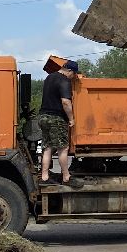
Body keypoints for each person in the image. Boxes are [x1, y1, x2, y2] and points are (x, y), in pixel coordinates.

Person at [39, 58, 82, 186]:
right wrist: (71, 119)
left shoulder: (49, 77)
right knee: (63, 148)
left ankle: (44, 177)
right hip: (56, 119)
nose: (73, 77)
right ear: (70, 71)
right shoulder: (64, 80)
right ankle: (66, 177)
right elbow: (65, 102)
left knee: (48, 147)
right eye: (74, 74)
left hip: (43, 117)